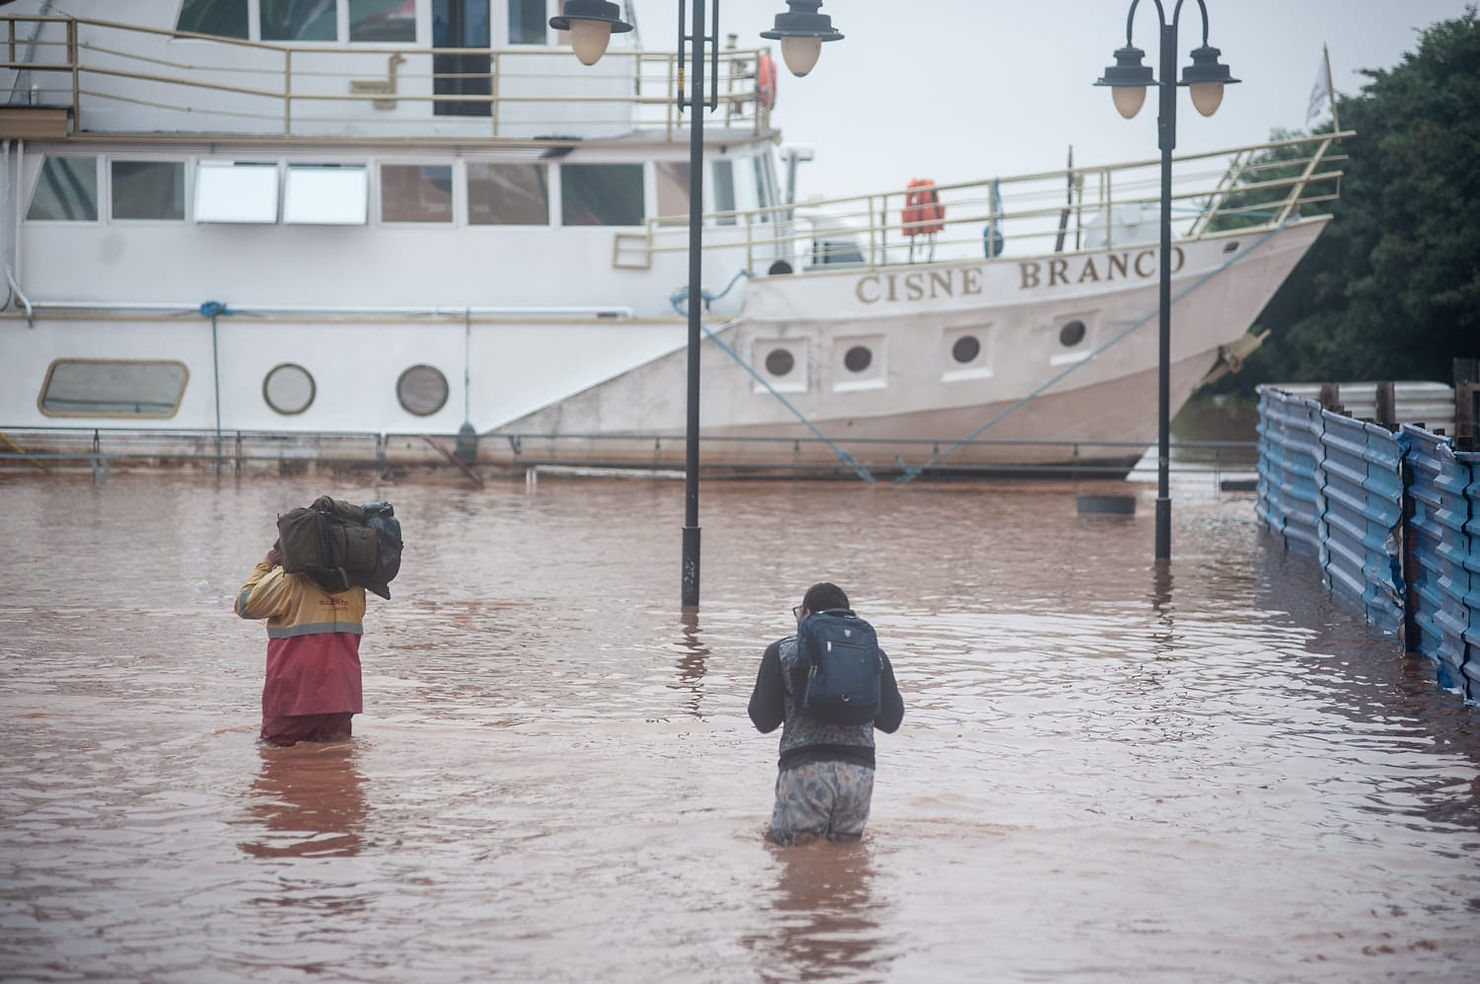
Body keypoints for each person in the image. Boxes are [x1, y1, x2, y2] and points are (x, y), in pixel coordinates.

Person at [748, 582, 904, 845]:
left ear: (806, 613)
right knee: (848, 867)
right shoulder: (874, 655)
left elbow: (763, 721)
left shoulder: (782, 650)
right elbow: (891, 721)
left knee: (796, 863)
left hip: (805, 769)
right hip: (859, 774)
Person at [235, 545, 366, 746]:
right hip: (340, 698)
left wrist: (266, 564)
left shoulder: (288, 579)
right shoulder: (355, 586)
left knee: (277, 764)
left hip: (291, 698)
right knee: (336, 765)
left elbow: (244, 605)